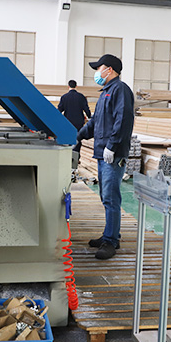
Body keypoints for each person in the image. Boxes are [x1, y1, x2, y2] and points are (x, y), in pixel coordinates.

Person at [77, 54, 135, 260]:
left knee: (111, 197)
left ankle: (111, 241)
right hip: (103, 153)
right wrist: (77, 136)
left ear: (109, 69)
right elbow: (95, 123)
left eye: (98, 68)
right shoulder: (105, 93)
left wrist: (112, 146)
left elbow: (124, 119)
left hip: (113, 155)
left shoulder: (120, 90)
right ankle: (109, 235)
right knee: (105, 196)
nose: (96, 72)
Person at [58, 80, 91, 154]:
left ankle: (69, 154)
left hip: (68, 122)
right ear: (76, 86)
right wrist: (89, 116)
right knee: (78, 138)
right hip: (79, 122)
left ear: (68, 86)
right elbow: (86, 108)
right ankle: (76, 154)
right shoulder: (81, 97)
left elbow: (59, 110)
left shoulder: (64, 97)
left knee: (69, 138)